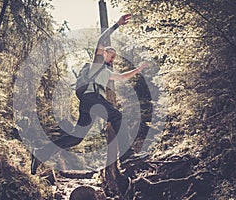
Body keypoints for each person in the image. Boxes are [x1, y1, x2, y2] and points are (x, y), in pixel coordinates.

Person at [31, 14, 150, 175]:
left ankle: (41, 153)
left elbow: (122, 77)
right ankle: (127, 156)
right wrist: (116, 25)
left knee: (77, 138)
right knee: (116, 116)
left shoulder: (106, 71)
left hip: (88, 103)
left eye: (115, 56)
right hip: (91, 98)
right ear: (104, 54)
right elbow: (101, 40)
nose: (113, 57)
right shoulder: (97, 63)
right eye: (111, 54)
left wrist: (139, 69)